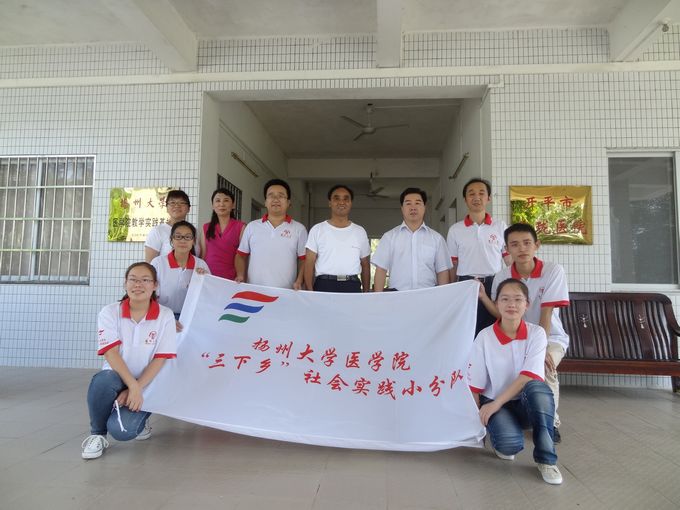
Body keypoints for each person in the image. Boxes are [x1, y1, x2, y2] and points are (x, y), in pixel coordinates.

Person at [468, 278, 563, 485]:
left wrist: (496, 403)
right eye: (505, 299)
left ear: (527, 304)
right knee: (508, 446)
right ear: (496, 303)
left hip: (525, 403)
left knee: (538, 390)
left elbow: (528, 376)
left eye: (518, 299)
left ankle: (546, 460)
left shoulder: (537, 333)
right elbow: (474, 386)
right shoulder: (484, 337)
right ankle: (503, 432)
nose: (511, 304)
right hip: (496, 405)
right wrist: (477, 426)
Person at [482, 222, 570, 443]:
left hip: (549, 337)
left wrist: (540, 349)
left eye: (526, 243)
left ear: (536, 245)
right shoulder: (501, 276)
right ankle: (510, 414)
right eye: (514, 244)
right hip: (514, 338)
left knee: (545, 368)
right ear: (507, 249)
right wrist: (483, 296)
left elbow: (546, 314)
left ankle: (550, 423)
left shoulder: (553, 271)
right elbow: (500, 312)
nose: (521, 248)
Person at [82, 262, 177, 460]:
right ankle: (97, 434)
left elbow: (160, 358)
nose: (138, 284)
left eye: (145, 280)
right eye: (133, 279)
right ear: (125, 283)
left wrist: (136, 388)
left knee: (122, 431)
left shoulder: (165, 315)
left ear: (155, 285)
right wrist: (132, 386)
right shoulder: (109, 312)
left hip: (147, 382)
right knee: (103, 380)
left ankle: (140, 419)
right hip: (117, 378)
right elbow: (111, 353)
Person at [447, 178, 510, 334]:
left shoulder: (500, 226)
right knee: (466, 329)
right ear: (465, 199)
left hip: (494, 284)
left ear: (489, 198)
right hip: (466, 284)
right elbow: (453, 265)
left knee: (494, 328)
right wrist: (450, 291)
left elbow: (509, 260)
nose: (476, 197)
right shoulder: (455, 230)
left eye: (481, 193)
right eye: (471, 194)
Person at [372, 187, 451, 291]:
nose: (413, 207)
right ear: (402, 208)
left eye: (417, 203)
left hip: (428, 295)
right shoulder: (389, 237)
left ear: (424, 207)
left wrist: (443, 297)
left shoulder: (437, 239)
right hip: (398, 296)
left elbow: (442, 271)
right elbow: (381, 270)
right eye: (408, 203)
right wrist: (377, 298)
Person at [235, 179, 307, 289]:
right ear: (265, 202)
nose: (276, 199)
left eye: (281, 196)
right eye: (271, 195)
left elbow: (304, 259)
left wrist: (299, 281)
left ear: (288, 202)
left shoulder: (299, 229)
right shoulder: (252, 227)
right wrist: (240, 275)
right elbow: (241, 255)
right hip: (254, 290)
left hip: (285, 291)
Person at [304, 184, 370, 293]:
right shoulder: (317, 229)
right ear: (329, 203)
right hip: (324, 285)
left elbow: (365, 264)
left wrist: (366, 293)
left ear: (351, 203)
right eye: (336, 198)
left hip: (352, 286)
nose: (341, 202)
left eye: (346, 199)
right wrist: (309, 292)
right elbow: (309, 263)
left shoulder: (360, 231)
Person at [151, 221, 209, 331]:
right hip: (162, 317)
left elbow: (207, 295)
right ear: (171, 240)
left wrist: (204, 280)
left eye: (188, 237)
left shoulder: (201, 265)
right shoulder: (158, 263)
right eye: (178, 236)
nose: (183, 240)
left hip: (191, 319)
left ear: (193, 241)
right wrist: (164, 319)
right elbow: (148, 295)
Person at [199, 188, 245, 280]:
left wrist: (241, 275)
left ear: (233, 205)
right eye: (218, 201)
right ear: (213, 205)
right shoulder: (206, 227)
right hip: (208, 276)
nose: (221, 204)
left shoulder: (241, 227)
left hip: (232, 279)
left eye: (226, 200)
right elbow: (203, 254)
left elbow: (243, 256)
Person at [144, 189, 191, 262]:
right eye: (172, 203)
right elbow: (150, 263)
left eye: (182, 203)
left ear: (188, 209)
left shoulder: (194, 232)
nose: (177, 206)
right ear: (166, 208)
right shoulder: (157, 231)